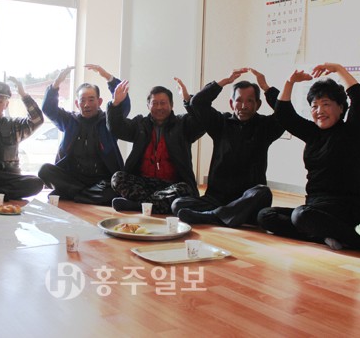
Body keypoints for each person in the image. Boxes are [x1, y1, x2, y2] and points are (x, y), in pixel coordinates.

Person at [257, 63, 360, 250]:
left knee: (301, 216)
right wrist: (290, 82)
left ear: (341, 107)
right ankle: (326, 236)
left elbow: (359, 98)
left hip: (347, 208)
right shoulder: (312, 133)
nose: (319, 111)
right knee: (265, 216)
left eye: (326, 104)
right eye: (314, 106)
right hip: (316, 207)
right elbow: (283, 115)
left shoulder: (352, 131)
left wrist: (338, 69)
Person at [173, 68, 284, 227]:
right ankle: (227, 215)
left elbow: (285, 113)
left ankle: (214, 216)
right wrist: (224, 81)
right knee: (178, 204)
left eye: (250, 101)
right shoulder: (221, 123)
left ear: (258, 104)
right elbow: (197, 102)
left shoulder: (265, 126)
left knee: (262, 192)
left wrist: (267, 88)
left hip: (247, 200)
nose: (244, 106)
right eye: (239, 100)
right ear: (232, 103)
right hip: (217, 198)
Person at [107, 78, 205, 214]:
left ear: (171, 105)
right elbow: (116, 128)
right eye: (155, 103)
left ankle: (137, 205)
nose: (159, 107)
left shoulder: (183, 124)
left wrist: (188, 100)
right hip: (143, 183)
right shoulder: (140, 124)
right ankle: (157, 204)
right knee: (117, 178)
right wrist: (116, 103)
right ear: (148, 106)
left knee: (185, 190)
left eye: (163, 103)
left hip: (172, 184)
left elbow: (201, 123)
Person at [38, 64, 130, 205]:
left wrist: (108, 77)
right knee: (44, 170)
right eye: (82, 100)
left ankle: (72, 194)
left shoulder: (109, 121)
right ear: (77, 103)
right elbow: (48, 108)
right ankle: (86, 196)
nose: (86, 104)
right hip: (73, 178)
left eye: (91, 100)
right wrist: (56, 84)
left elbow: (122, 105)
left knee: (116, 187)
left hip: (101, 181)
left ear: (99, 102)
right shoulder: (69, 120)